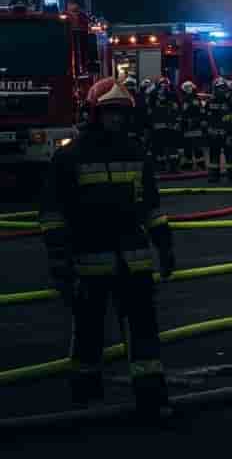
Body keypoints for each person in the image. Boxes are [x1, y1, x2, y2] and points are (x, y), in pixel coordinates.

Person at [40, 77, 175, 423]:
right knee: (89, 332)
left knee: (144, 331)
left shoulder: (136, 153)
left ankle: (150, 395)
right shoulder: (69, 157)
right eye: (110, 112)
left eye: (121, 113)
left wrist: (164, 244)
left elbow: (152, 208)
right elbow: (53, 215)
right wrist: (59, 261)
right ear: (94, 113)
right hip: (89, 261)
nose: (117, 119)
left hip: (134, 261)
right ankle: (85, 395)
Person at [148, 77, 181, 172]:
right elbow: (150, 111)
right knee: (163, 147)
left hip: (166, 125)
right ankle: (166, 167)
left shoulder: (170, 94)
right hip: (163, 125)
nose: (163, 87)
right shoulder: (155, 94)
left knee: (169, 147)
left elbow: (177, 108)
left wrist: (177, 121)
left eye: (164, 85)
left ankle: (169, 166)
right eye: (162, 85)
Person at [204, 77, 232, 182]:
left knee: (229, 155)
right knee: (214, 155)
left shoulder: (230, 101)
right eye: (219, 88)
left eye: (223, 88)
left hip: (227, 133)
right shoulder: (210, 102)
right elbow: (206, 118)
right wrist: (207, 130)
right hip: (213, 134)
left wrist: (231, 133)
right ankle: (214, 175)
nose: (221, 90)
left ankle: (231, 175)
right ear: (215, 89)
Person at [179, 80, 205, 170]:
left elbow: (200, 111)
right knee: (188, 147)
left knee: (196, 146)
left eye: (189, 87)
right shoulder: (188, 98)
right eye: (186, 87)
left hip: (194, 125)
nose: (188, 89)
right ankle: (190, 164)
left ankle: (200, 164)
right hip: (189, 125)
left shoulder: (192, 99)